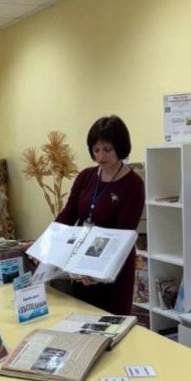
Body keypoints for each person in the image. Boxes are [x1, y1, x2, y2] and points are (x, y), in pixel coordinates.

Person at [56, 115, 144, 315]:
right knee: (82, 318)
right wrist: (46, 243)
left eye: (107, 149)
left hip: (113, 264)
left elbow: (122, 234)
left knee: (111, 322)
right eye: (96, 150)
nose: (101, 156)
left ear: (120, 147)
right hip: (82, 261)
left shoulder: (133, 185)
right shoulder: (86, 176)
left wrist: (94, 267)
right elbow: (68, 215)